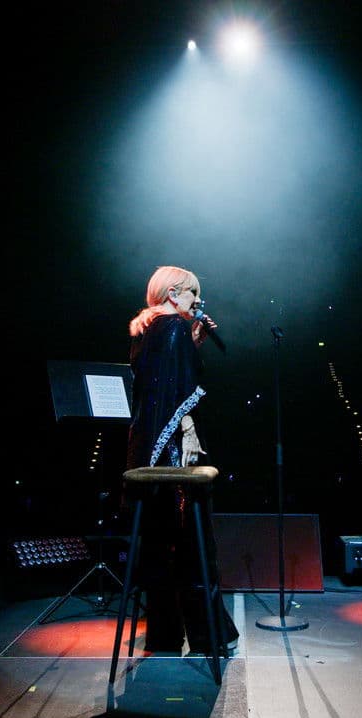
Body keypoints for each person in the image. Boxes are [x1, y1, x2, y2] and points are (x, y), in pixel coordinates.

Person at [125, 265, 240, 654]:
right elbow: (177, 387)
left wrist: (193, 342)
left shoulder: (148, 329)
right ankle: (209, 636)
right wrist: (188, 428)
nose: (197, 300)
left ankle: (165, 635)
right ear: (173, 293)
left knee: (159, 544)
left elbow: (160, 382)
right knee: (192, 543)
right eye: (193, 293)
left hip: (147, 448)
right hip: (174, 447)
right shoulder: (173, 327)